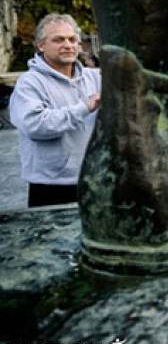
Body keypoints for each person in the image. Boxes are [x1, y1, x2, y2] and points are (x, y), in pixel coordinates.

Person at [9, 13, 102, 207]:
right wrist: (84, 108)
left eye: (72, 39)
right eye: (58, 39)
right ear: (41, 45)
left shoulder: (96, 78)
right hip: (50, 187)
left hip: (95, 182)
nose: (68, 45)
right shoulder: (29, 84)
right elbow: (35, 125)